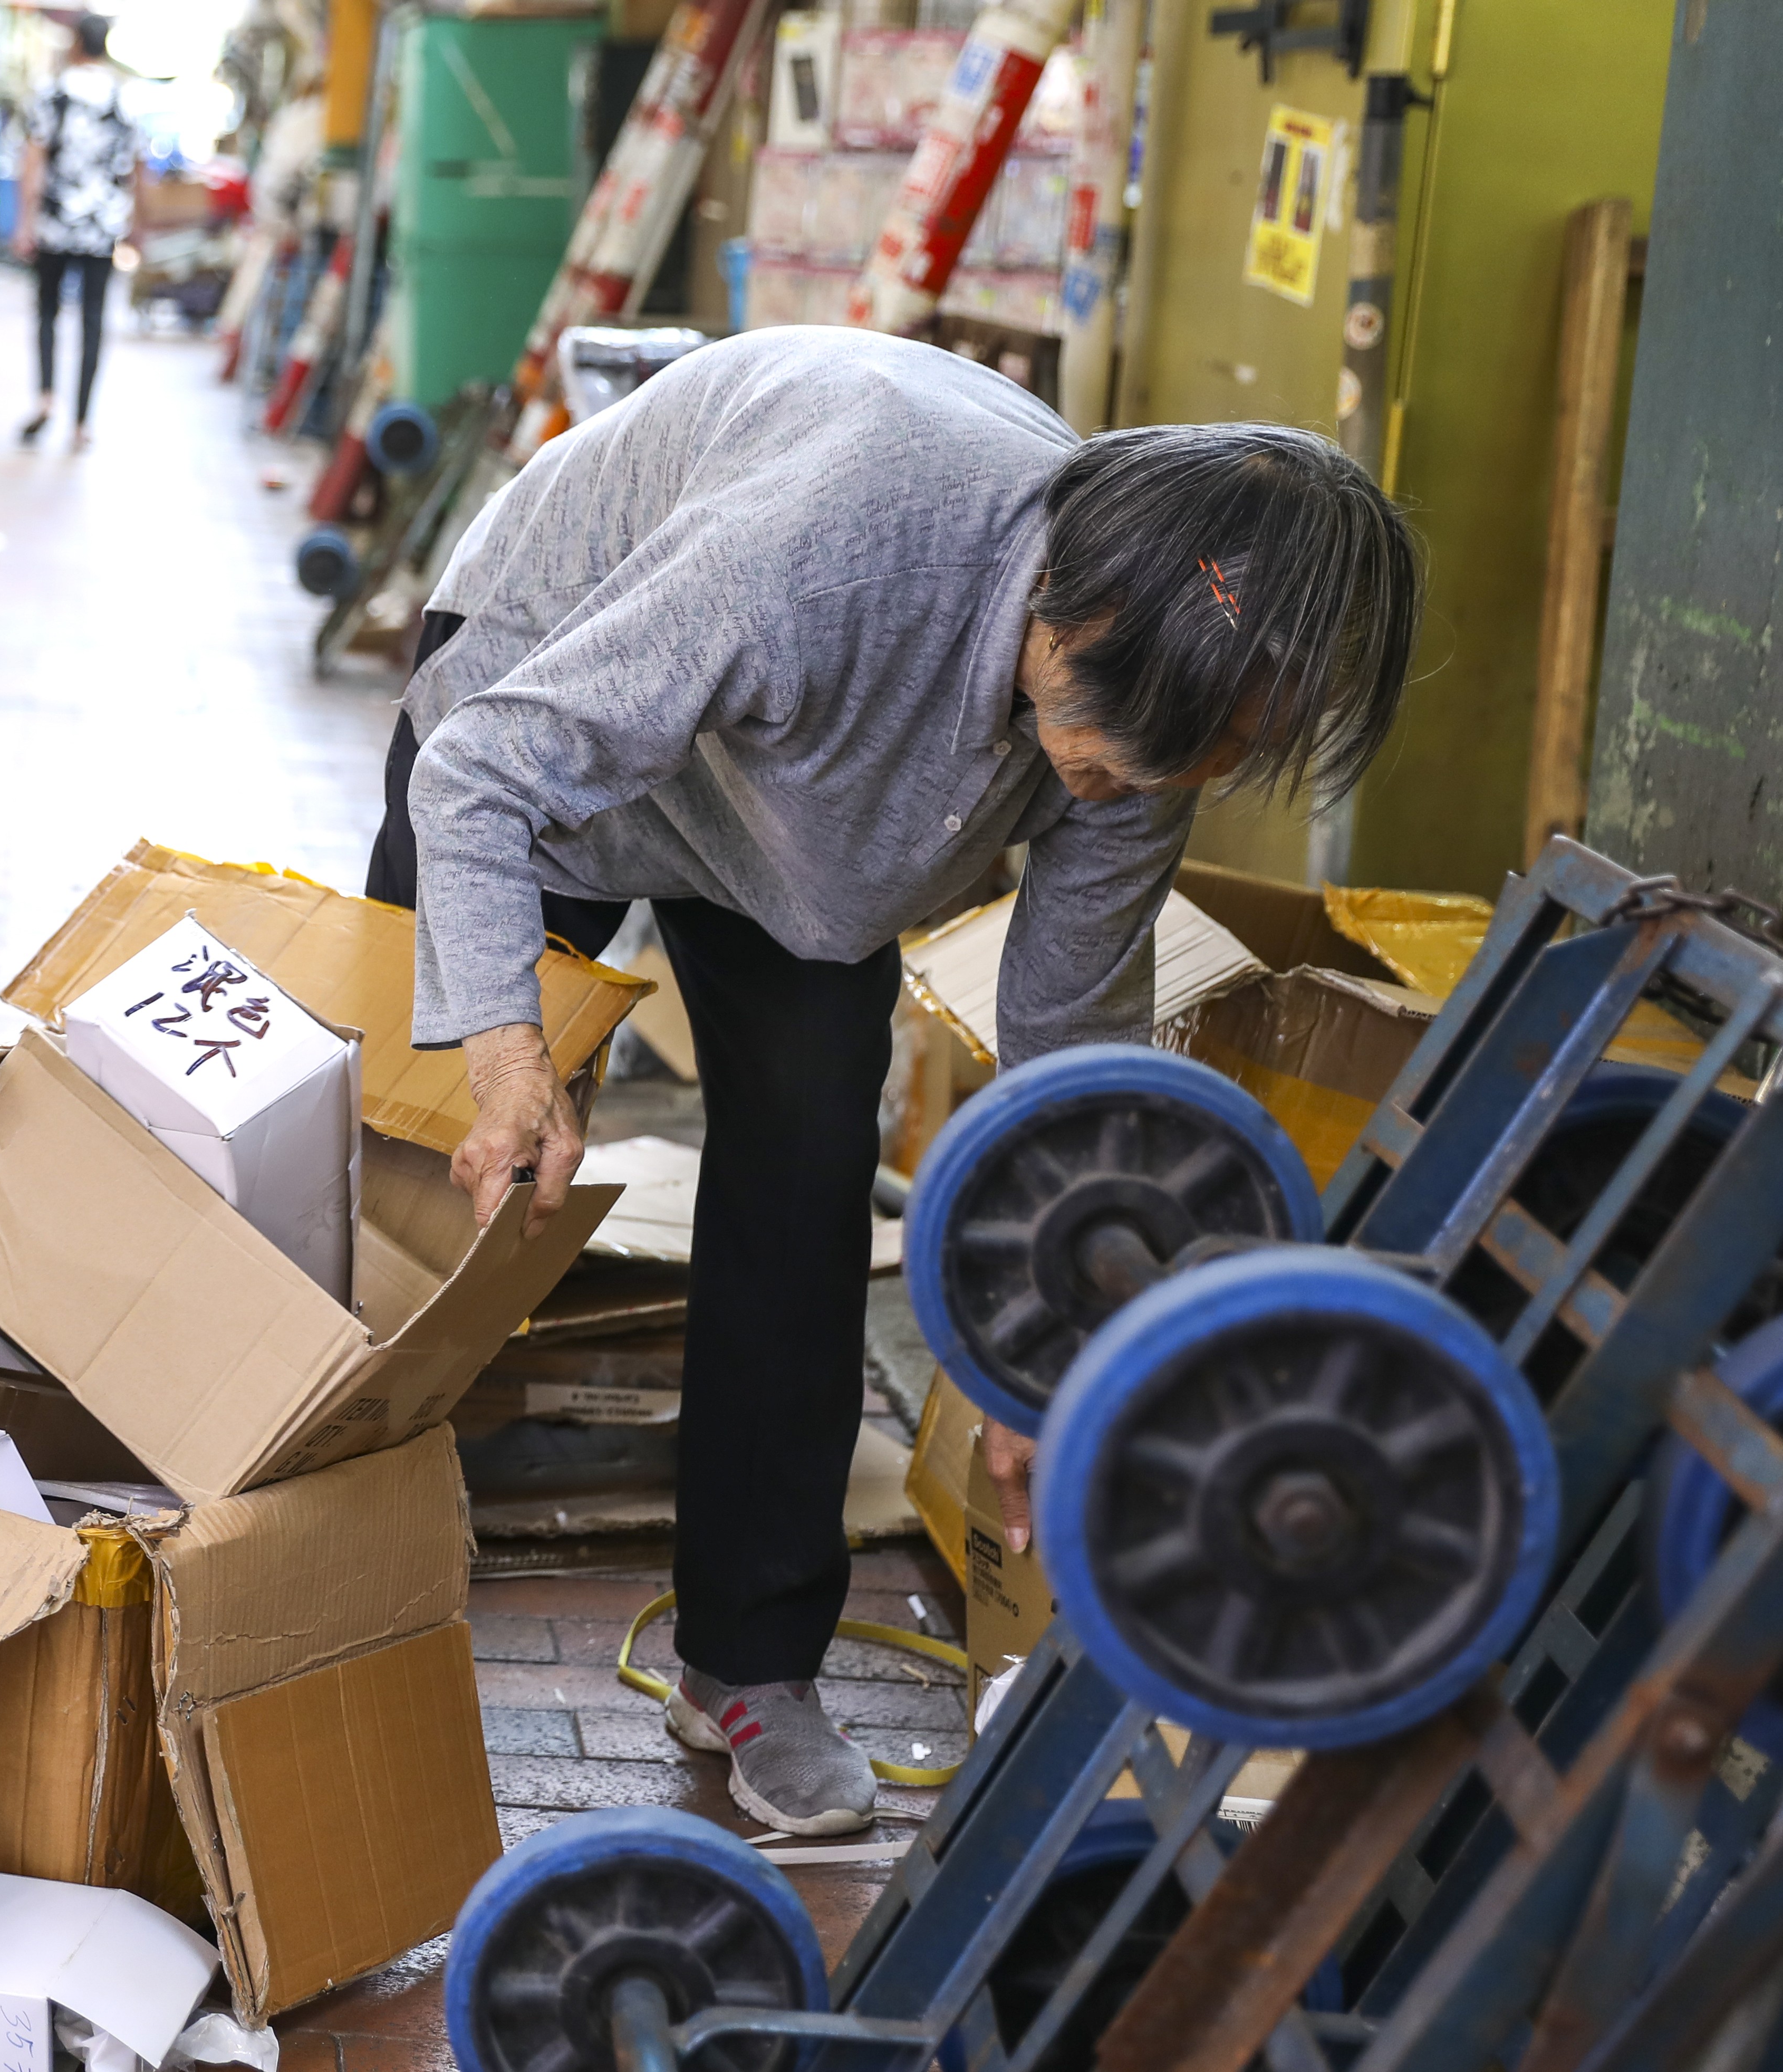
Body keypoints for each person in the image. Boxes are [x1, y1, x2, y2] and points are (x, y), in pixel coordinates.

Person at [367, 327, 1420, 1836]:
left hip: (800, 853)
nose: (1113, 791)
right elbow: (479, 773)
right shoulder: (823, 542)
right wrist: (511, 1052)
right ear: (1081, 596)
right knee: (424, 1188)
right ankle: (335, 1603)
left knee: (801, 1201)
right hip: (545, 727)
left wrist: (1051, 1356)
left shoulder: (1155, 714)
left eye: (1174, 769)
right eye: (1107, 744)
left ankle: (750, 1670)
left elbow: (1063, 1053)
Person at [12, 12, 142, 451]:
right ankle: (82, 421)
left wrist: (25, 222)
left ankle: (46, 396)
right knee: (93, 319)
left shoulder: (52, 93)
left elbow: (33, 161)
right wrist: (136, 223)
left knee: (47, 311)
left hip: (55, 221)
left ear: (74, 44)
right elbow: (137, 170)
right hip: (103, 225)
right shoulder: (125, 99)